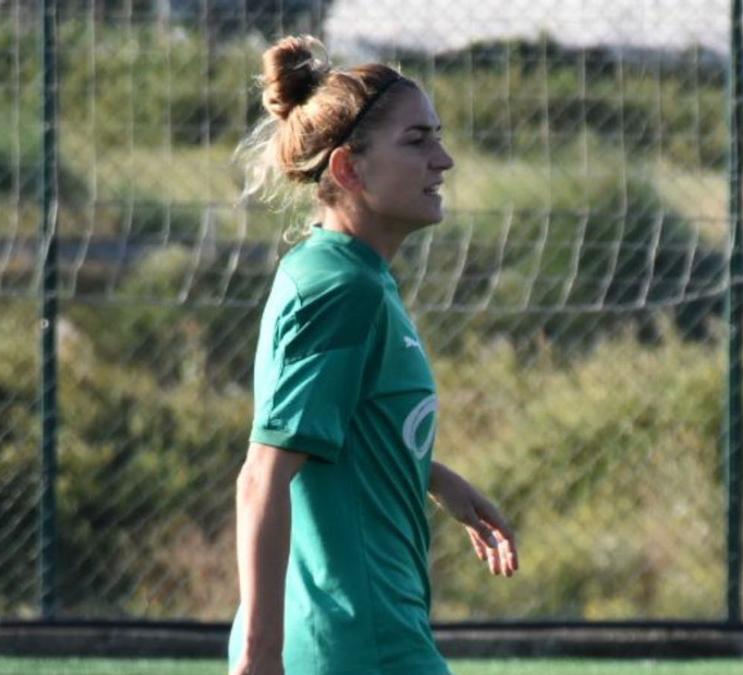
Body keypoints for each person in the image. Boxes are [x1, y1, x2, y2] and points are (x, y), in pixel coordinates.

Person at [229, 35, 519, 675]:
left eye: (437, 137)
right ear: (347, 169)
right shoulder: (344, 287)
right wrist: (258, 658)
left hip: (363, 636)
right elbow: (263, 476)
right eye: (417, 142)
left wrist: (431, 476)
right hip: (359, 644)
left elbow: (332, 431)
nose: (443, 159)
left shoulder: (345, 272)